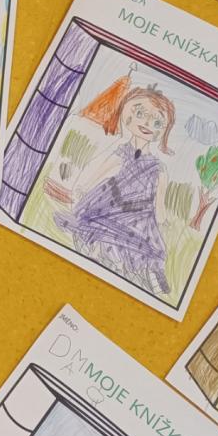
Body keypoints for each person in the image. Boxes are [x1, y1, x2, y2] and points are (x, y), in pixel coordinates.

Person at [54, 86, 175, 295]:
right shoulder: (123, 151)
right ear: (128, 116)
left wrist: (162, 216)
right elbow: (103, 169)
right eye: (140, 114)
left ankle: (151, 274)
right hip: (112, 202)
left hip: (141, 213)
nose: (147, 124)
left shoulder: (158, 167)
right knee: (105, 234)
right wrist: (84, 185)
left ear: (163, 131)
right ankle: (105, 265)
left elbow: (160, 199)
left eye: (156, 123)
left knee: (145, 245)